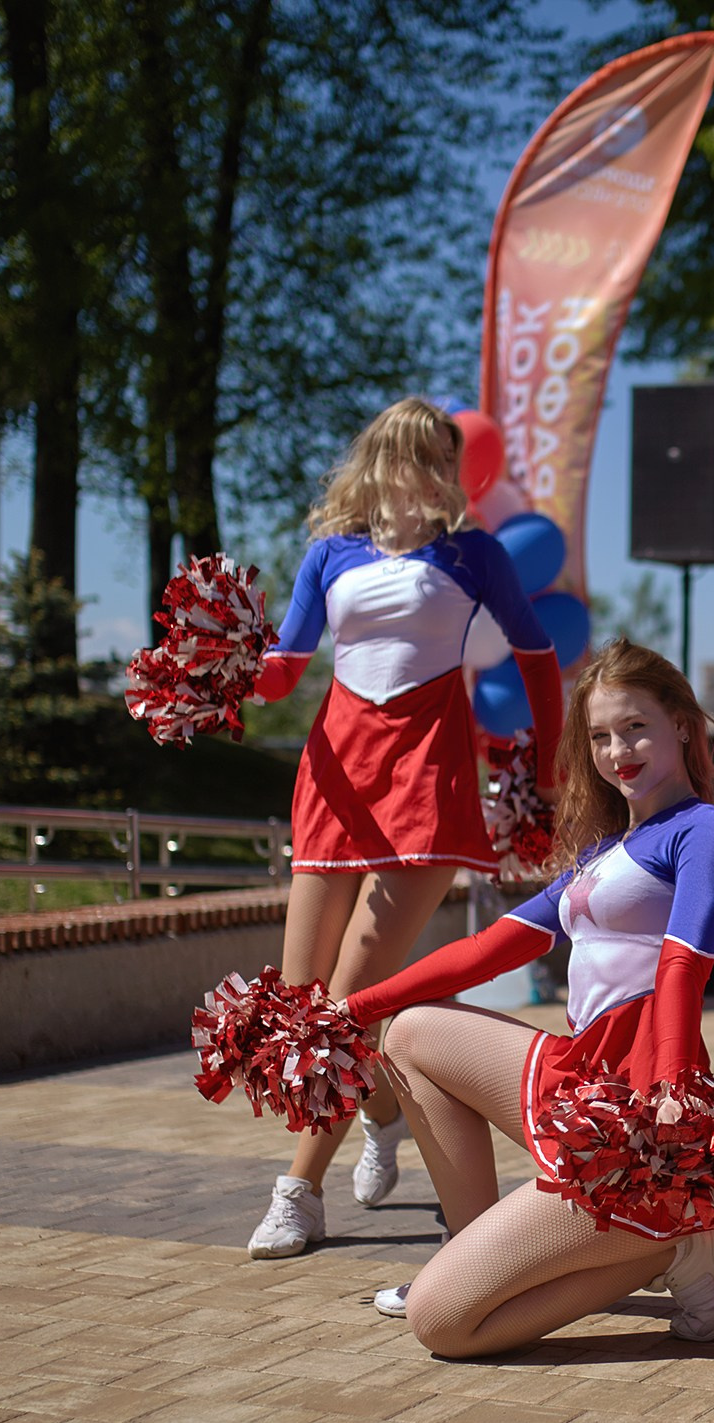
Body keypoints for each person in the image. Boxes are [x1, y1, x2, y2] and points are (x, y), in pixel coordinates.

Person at [340, 639, 714, 1353]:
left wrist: (669, 1099)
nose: (617, 750)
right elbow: (485, 950)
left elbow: (682, 971)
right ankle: (469, 1244)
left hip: (634, 1105)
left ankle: (676, 1242)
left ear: (682, 726)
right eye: (600, 736)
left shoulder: (702, 829)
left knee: (442, 1324)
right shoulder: (604, 852)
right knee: (408, 1032)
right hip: (578, 1075)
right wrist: (352, 1010)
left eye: (635, 727)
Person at [243, 397, 565, 1260]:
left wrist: (550, 766)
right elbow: (282, 673)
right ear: (380, 462)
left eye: (443, 459)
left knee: (349, 1000)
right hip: (335, 780)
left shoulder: (473, 553)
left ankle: (299, 1192)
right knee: (301, 998)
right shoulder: (330, 553)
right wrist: (222, 668)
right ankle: (381, 1111)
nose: (432, 474)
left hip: (428, 777)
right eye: (415, 456)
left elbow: (538, 656)